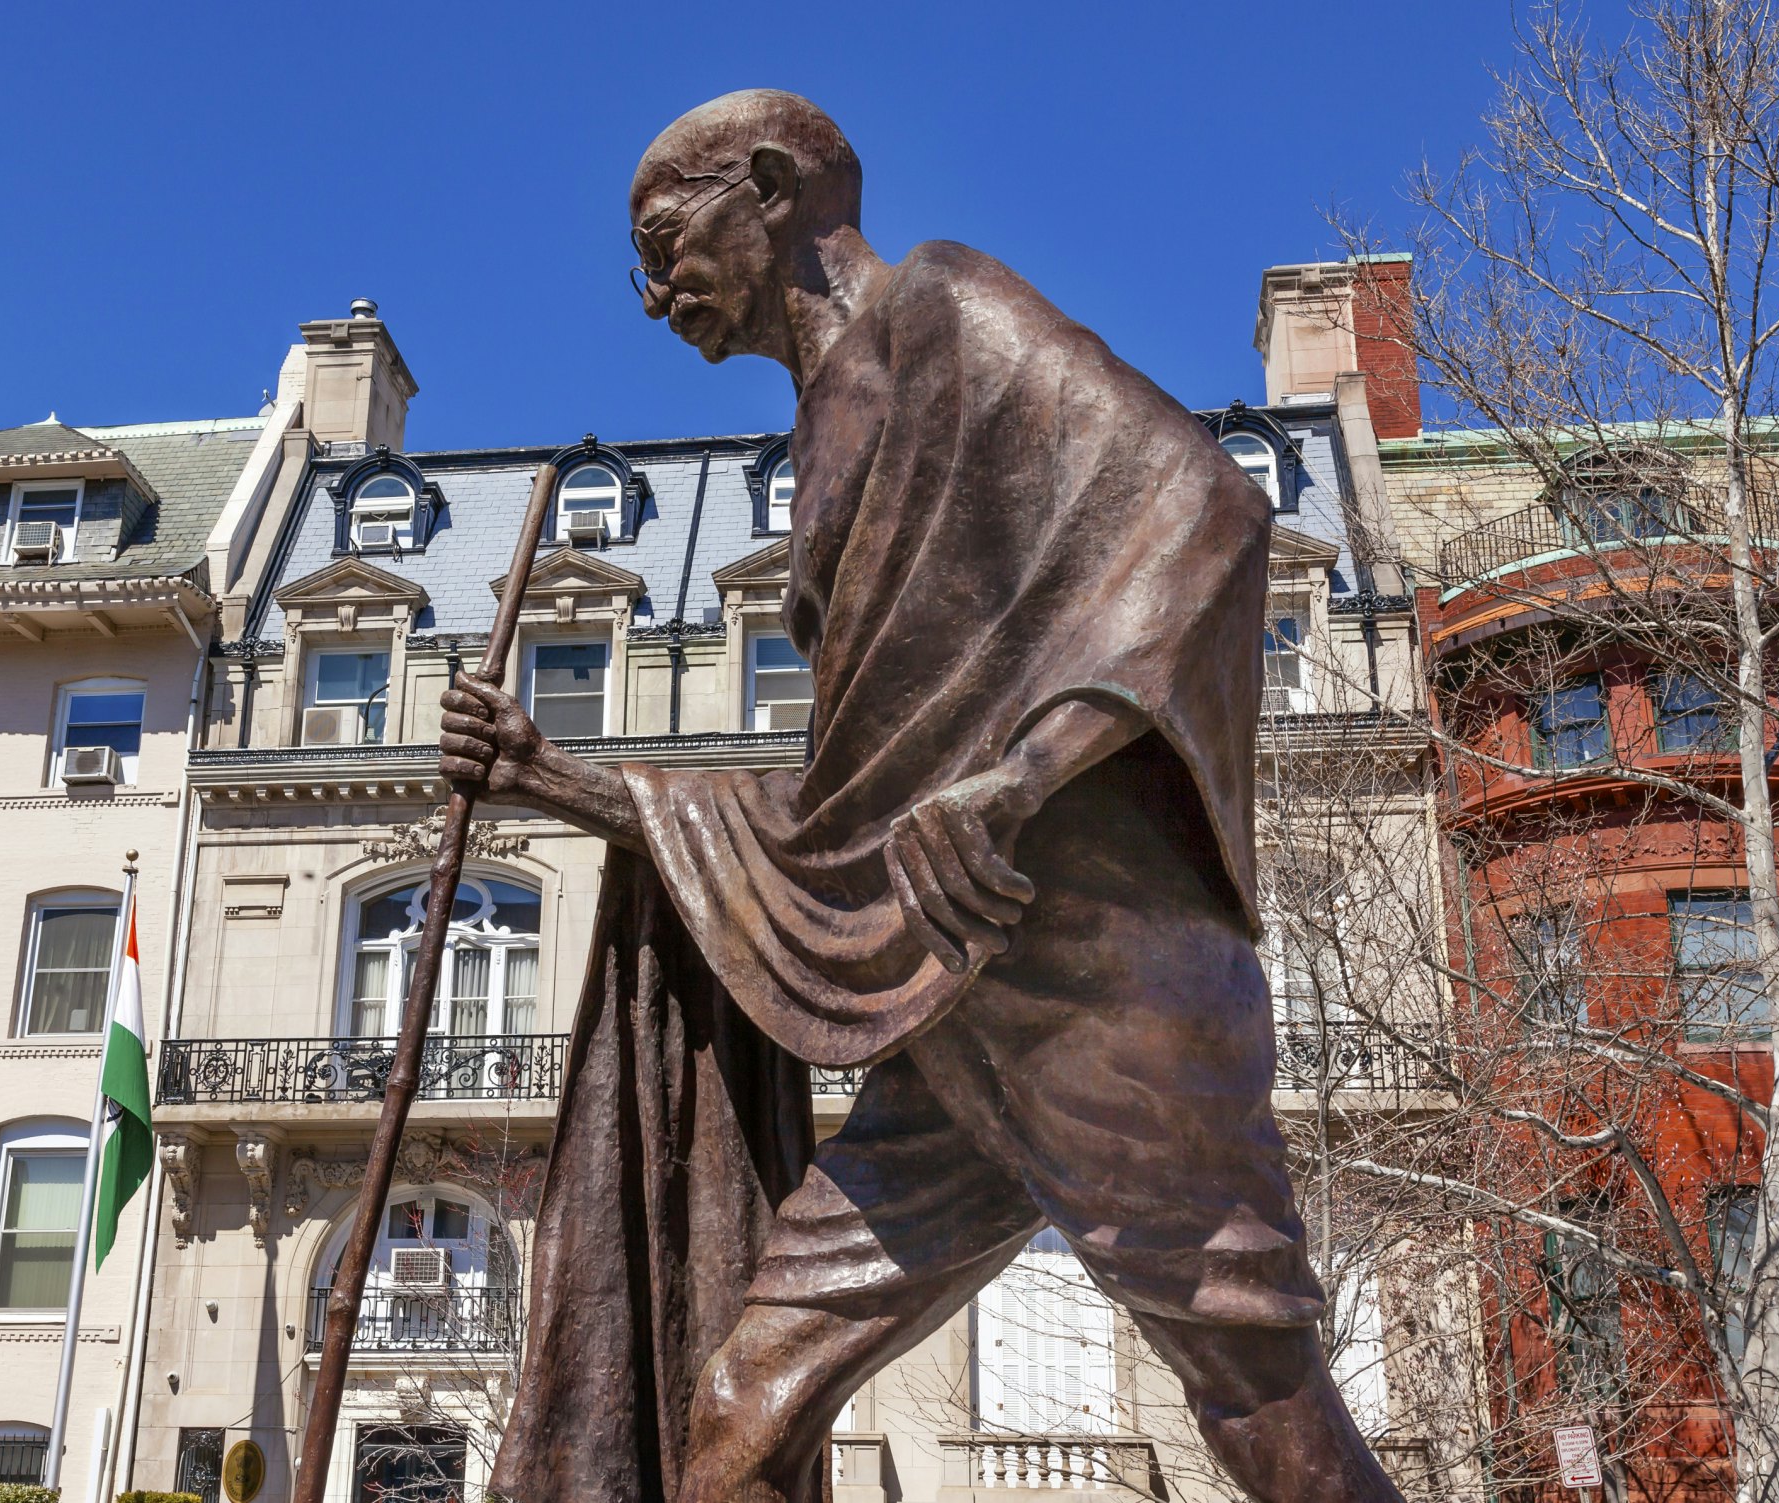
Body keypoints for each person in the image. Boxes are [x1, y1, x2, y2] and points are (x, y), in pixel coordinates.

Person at [445, 89, 1403, 1503]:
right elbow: (853, 804)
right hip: (948, 1019)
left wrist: (1019, 780)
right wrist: (554, 776)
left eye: (665, 243)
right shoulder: (814, 430)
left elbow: (1198, 510)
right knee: (744, 1400)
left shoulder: (942, 307)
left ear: (768, 188)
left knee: (1258, 1398)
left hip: (1098, 979)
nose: (654, 296)